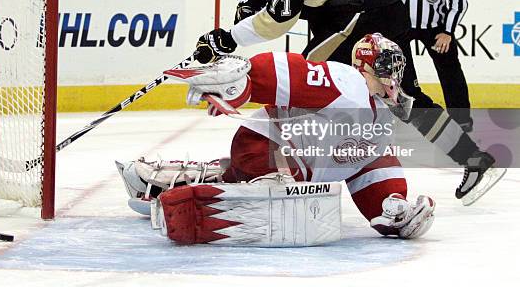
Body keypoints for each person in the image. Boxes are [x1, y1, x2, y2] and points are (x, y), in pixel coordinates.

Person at [194, 0, 504, 204]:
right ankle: (472, 157)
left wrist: (226, 38)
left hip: (357, 18)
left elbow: (276, 21)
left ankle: (291, 174)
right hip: (377, 6)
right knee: (402, 97)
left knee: (304, 84)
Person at [119, 35, 438, 242]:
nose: (393, 77)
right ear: (364, 68)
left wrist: (392, 206)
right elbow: (292, 72)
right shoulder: (348, 84)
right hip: (264, 145)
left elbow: (371, 168)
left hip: (286, 163)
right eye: (386, 67)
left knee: (270, 174)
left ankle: (161, 181)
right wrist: (245, 82)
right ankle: (231, 195)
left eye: (397, 68)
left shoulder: (378, 119)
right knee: (290, 173)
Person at [386, 0, 476, 144]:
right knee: (401, 73)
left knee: (450, 69)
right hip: (403, 27)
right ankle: (412, 112)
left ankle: (461, 119)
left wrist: (447, 31)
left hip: (435, 28)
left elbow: (458, 2)